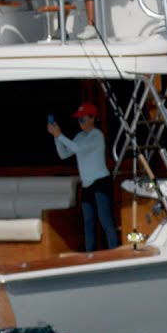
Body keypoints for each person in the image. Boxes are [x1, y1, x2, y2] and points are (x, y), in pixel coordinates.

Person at [48, 102, 119, 252]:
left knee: (105, 220)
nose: (80, 122)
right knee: (88, 222)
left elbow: (79, 149)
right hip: (87, 185)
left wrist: (60, 135)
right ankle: (89, 255)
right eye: (78, 119)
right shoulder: (80, 136)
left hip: (101, 182)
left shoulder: (97, 135)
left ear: (92, 118)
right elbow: (64, 154)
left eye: (82, 119)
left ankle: (114, 252)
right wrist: (56, 137)